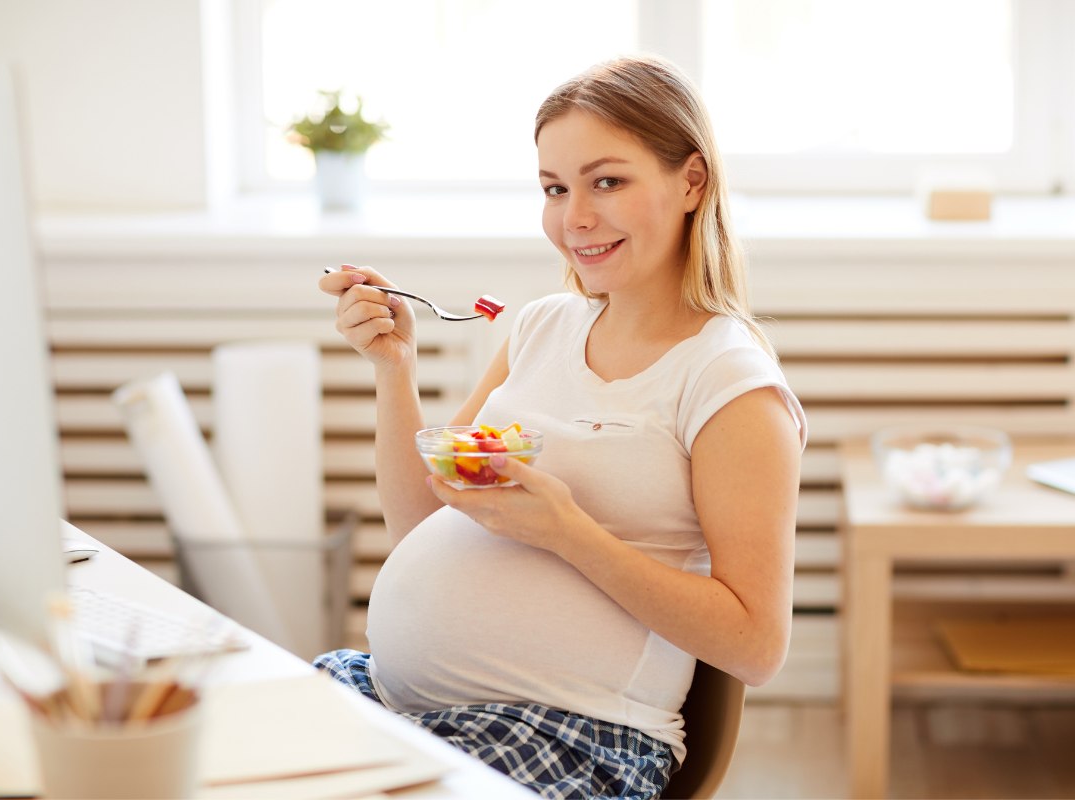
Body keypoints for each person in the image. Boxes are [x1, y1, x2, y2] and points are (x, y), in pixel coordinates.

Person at [315, 54, 807, 800]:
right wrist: (394, 369)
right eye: (554, 188)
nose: (574, 217)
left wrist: (568, 532)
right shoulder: (540, 327)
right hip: (398, 698)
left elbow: (756, 646)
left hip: (571, 735)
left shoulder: (729, 383)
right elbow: (420, 527)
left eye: (607, 181)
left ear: (691, 182)